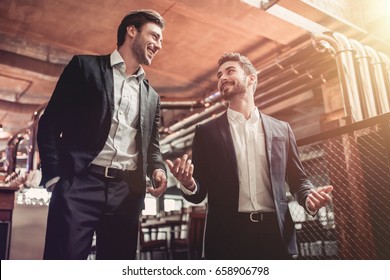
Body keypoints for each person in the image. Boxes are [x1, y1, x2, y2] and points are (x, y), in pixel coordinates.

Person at [166, 52, 333, 260]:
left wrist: (309, 198)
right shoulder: (206, 132)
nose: (222, 78)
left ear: (251, 78)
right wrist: (189, 182)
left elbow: (297, 179)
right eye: (219, 75)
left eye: (230, 71)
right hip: (228, 237)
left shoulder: (282, 129)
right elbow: (199, 192)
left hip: (275, 235)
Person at [37, 9, 167, 260]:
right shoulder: (84, 68)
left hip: (126, 193)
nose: (159, 45)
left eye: (161, 40)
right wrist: (55, 178)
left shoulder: (152, 96)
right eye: (154, 36)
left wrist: (157, 170)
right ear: (132, 31)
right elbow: (50, 123)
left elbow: (153, 147)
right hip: (80, 184)